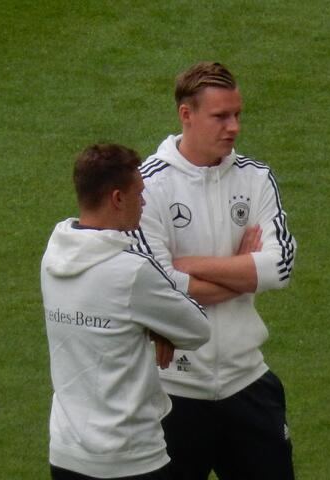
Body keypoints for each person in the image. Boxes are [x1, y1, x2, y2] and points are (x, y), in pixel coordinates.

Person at [130, 61, 297, 479]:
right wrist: (241, 272)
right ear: (186, 114)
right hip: (173, 391)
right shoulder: (148, 185)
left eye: (237, 114)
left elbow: (279, 266)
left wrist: (193, 266)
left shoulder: (256, 178)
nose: (234, 126)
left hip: (247, 382)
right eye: (221, 116)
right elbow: (157, 285)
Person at [40, 143, 210, 480]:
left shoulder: (52, 256)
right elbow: (197, 328)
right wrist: (159, 328)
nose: (143, 203)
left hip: (67, 455)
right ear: (117, 198)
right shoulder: (131, 271)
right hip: (131, 457)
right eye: (139, 193)